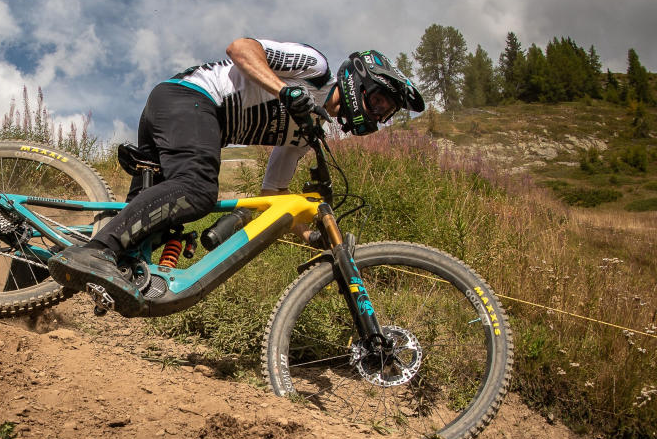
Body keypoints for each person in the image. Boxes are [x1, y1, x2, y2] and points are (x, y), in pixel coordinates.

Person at [48, 38, 424, 310]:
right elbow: (241, 48)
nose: (377, 116)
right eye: (379, 103)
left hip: (183, 117)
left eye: (385, 113)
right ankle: (98, 252)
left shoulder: (306, 133)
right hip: (190, 98)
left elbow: (274, 191)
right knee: (197, 191)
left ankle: (38, 269)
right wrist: (284, 91)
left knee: (152, 229)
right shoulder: (315, 68)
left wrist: (310, 234)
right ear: (361, 82)